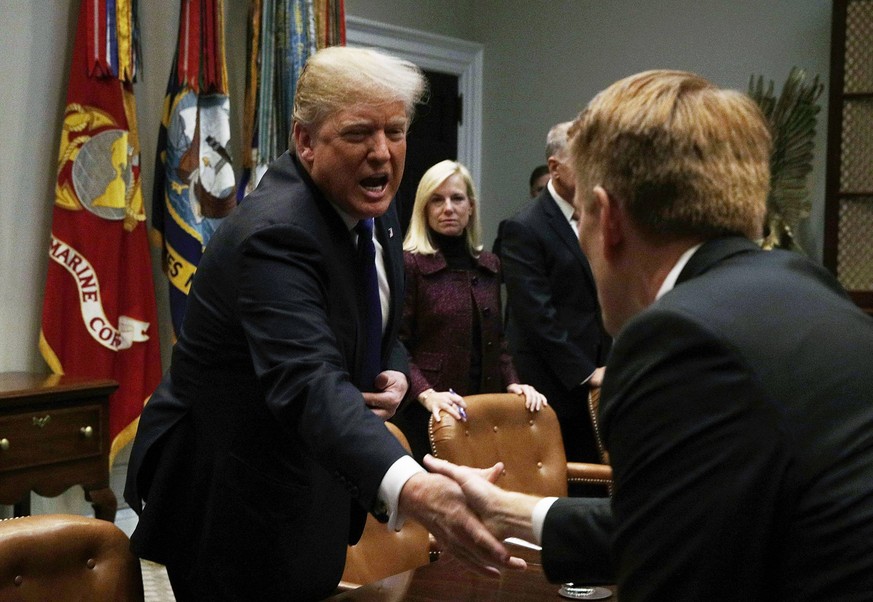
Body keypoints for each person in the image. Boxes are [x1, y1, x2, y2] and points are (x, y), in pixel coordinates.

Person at [425, 69, 873, 600]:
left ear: (608, 218)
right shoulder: (809, 285)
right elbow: (689, 522)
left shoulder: (676, 337)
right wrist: (514, 511)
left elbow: (669, 573)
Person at [123, 47, 524, 601]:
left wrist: (392, 370)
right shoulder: (276, 234)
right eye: (359, 132)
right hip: (233, 499)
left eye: (396, 130)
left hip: (313, 480)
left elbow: (377, 323)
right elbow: (308, 381)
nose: (382, 153)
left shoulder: (370, 209)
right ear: (306, 141)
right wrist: (418, 489)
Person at [392, 159, 546, 461]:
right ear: (424, 208)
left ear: (471, 207)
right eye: (437, 199)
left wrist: (514, 383)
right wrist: (426, 394)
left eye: (457, 198)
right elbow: (396, 344)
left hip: (481, 411)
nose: (448, 208)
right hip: (427, 412)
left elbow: (498, 341)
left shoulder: (488, 265)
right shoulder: (409, 264)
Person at [500, 122, 612, 468]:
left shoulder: (599, 216)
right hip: (552, 384)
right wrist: (585, 372)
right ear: (554, 168)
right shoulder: (523, 227)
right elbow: (536, 315)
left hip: (603, 378)